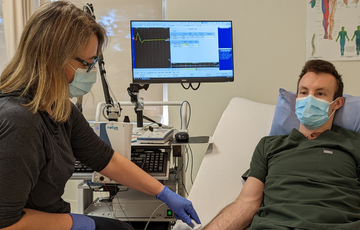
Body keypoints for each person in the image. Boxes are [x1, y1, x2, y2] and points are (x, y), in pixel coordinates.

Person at [0, 1, 200, 230]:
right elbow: (5, 223)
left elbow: (106, 158)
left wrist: (162, 192)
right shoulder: (20, 122)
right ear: (51, 59)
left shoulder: (60, 108)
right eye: (85, 63)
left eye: (94, 61)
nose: (91, 70)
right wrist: (73, 222)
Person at [205, 59, 360, 230]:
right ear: (296, 99)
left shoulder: (354, 144)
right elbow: (246, 202)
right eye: (303, 92)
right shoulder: (269, 146)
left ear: (337, 103)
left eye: (320, 94)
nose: (309, 99)